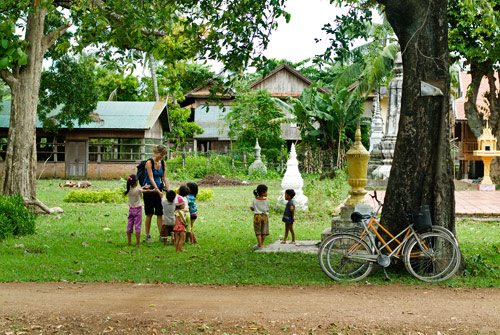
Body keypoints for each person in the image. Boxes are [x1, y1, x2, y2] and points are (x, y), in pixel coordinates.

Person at [143, 144, 170, 243]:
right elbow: (151, 178)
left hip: (159, 191)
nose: (161, 156)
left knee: (160, 213)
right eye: (160, 154)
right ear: (156, 152)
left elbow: (165, 177)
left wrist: (169, 190)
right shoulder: (149, 162)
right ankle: (147, 235)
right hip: (149, 190)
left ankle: (161, 235)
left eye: (163, 155)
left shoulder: (163, 163)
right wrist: (158, 191)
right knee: (149, 213)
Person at [124, 174, 153, 246]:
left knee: (129, 225)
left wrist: (143, 187)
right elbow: (145, 191)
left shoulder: (128, 191)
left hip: (131, 210)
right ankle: (137, 243)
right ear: (136, 183)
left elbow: (138, 189)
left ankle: (129, 241)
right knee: (137, 226)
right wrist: (153, 190)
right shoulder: (138, 190)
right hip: (138, 210)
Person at [250, 184, 269, 250]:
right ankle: (260, 244)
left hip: (257, 216)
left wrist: (254, 209)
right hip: (265, 216)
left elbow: (251, 208)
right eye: (266, 191)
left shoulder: (255, 200)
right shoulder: (266, 201)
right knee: (264, 230)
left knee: (258, 231)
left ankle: (259, 245)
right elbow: (267, 209)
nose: (267, 193)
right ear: (262, 192)